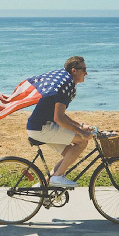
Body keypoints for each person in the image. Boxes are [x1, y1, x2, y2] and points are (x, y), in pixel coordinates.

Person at [26, 56, 93, 187]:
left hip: (39, 127)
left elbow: (61, 115)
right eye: (84, 69)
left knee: (70, 154)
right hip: (42, 128)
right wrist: (81, 133)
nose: (86, 73)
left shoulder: (65, 83)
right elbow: (59, 119)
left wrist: (81, 126)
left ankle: (44, 185)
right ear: (74, 70)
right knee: (82, 142)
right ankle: (57, 178)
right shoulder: (65, 86)